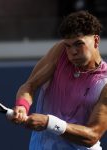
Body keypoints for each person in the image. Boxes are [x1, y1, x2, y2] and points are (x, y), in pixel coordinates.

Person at [10, 10, 107, 150]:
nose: (72, 52)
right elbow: (30, 85)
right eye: (68, 45)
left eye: (79, 44)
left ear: (96, 40)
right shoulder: (60, 52)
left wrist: (49, 123)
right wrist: (21, 107)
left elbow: (93, 135)